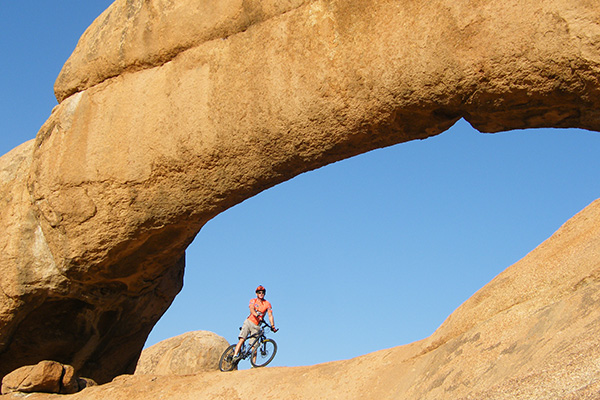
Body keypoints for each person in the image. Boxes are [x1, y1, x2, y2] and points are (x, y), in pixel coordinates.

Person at [232, 285, 277, 361]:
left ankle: (253, 365)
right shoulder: (253, 300)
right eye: (259, 292)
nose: (261, 294)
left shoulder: (267, 304)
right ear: (256, 294)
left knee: (254, 345)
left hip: (256, 326)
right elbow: (251, 309)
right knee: (242, 339)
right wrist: (257, 315)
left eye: (262, 292)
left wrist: (272, 326)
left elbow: (270, 315)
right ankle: (235, 355)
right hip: (249, 322)